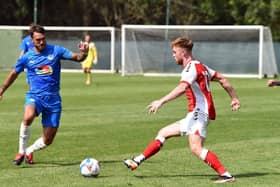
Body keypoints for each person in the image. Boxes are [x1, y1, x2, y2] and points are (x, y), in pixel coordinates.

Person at [123, 37, 240, 183]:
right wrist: (234, 98)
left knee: (196, 148)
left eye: (174, 52)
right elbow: (223, 79)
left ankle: (226, 175)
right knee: (163, 133)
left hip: (199, 113)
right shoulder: (201, 66)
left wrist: (161, 101)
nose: (173, 55)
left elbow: (182, 88)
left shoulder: (190, 68)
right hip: (197, 113)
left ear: (183, 52)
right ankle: (137, 161)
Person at [0, 24, 89, 165]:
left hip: (53, 100)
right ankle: (21, 151)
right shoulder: (26, 58)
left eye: (43, 39)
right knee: (28, 116)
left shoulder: (56, 50)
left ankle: (30, 150)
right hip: (35, 96)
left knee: (48, 140)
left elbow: (78, 58)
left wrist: (84, 53)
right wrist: (2, 89)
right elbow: (13, 74)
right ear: (32, 40)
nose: (41, 42)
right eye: (38, 40)